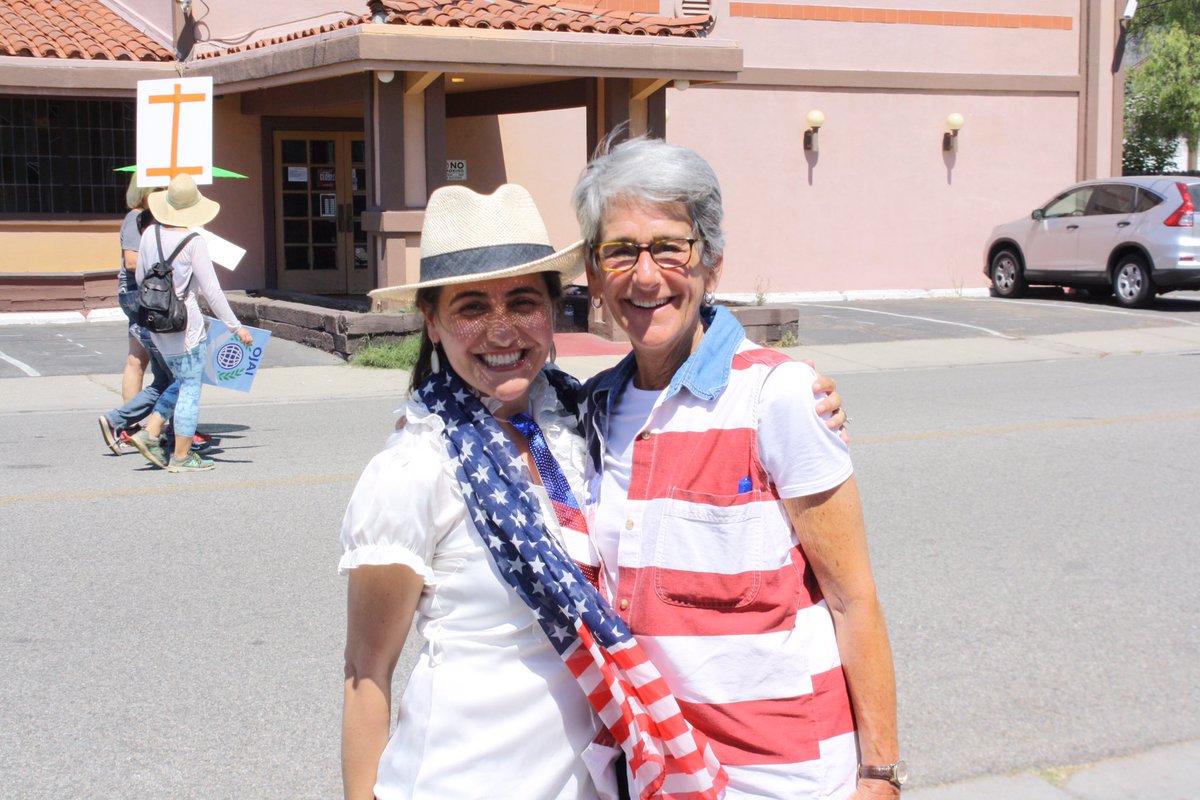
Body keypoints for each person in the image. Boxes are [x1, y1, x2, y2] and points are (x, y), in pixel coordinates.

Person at [340, 184, 850, 800]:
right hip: (459, 778)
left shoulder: (579, 420)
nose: (502, 331)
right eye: (471, 307)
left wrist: (795, 389)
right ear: (432, 320)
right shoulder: (414, 468)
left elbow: (688, 384)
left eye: (523, 302)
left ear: (554, 310)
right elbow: (366, 672)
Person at [573, 136, 902, 799]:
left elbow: (852, 598)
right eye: (621, 250)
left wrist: (880, 775)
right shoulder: (591, 413)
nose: (645, 276)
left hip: (781, 775)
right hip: (655, 770)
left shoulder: (777, 396)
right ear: (595, 273)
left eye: (671, 247)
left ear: (712, 264)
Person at [126, 174, 253, 473]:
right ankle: (181, 456)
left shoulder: (149, 234)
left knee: (180, 381)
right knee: (191, 388)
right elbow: (212, 290)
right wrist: (236, 327)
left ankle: (150, 432)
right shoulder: (194, 241)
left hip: (156, 320)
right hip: (185, 324)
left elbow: (141, 277)